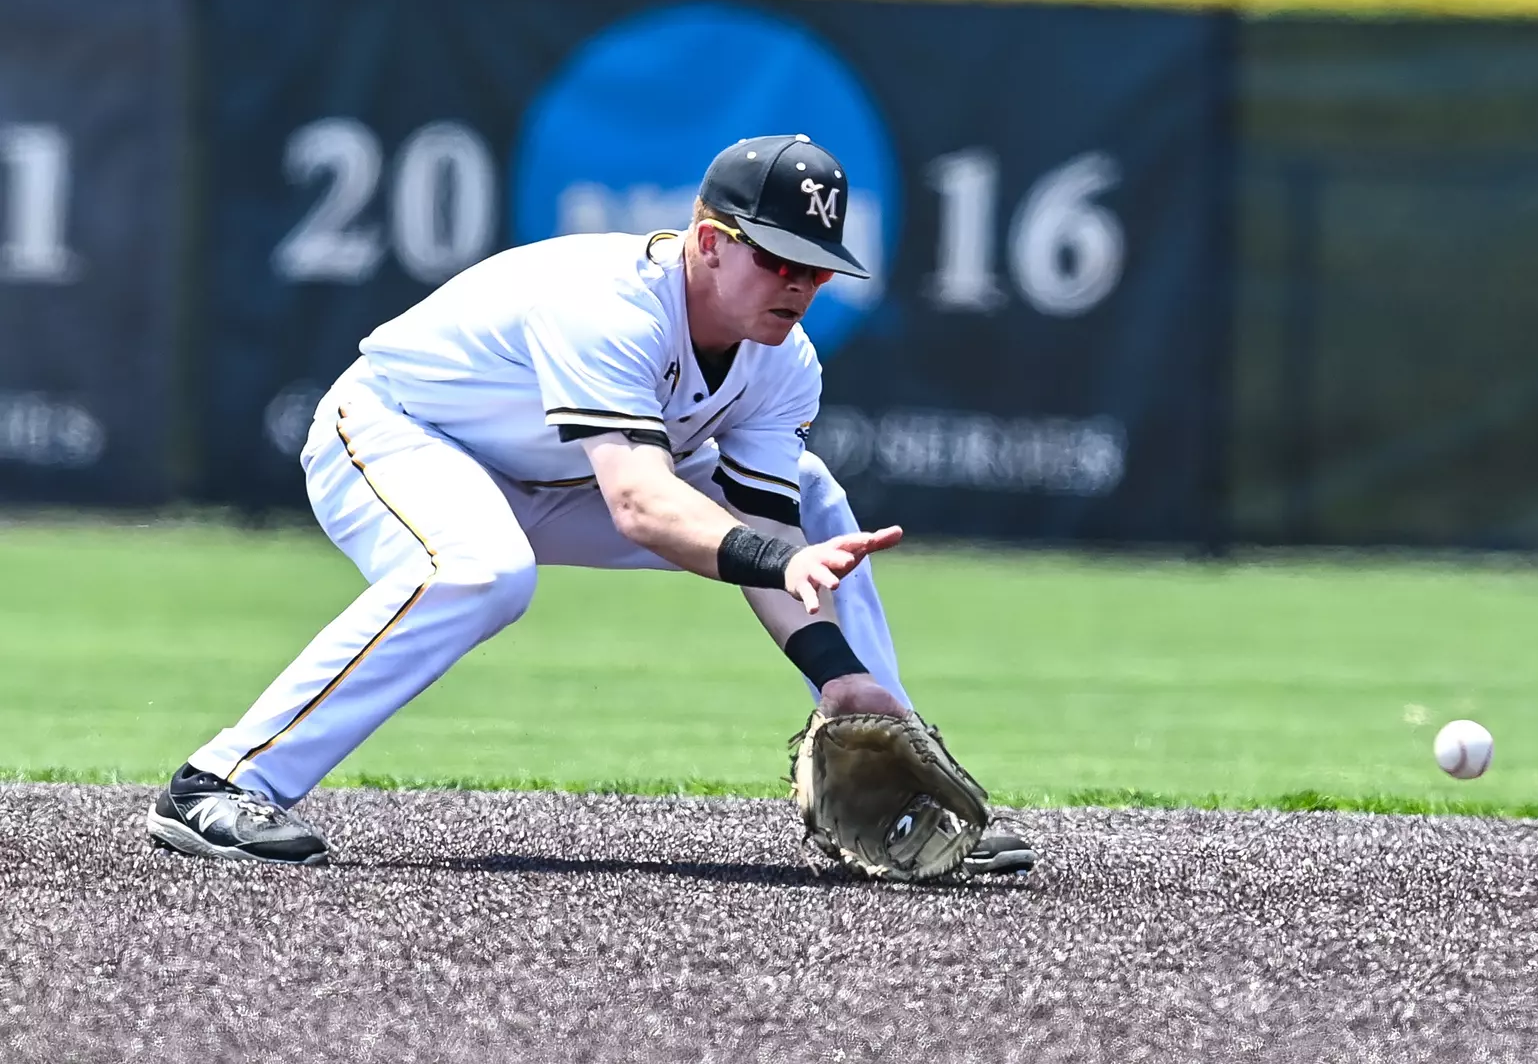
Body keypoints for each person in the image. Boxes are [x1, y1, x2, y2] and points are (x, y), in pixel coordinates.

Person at [145, 133, 1037, 877]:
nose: (798, 285)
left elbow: (765, 523)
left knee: (808, 492)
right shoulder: (609, 306)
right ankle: (221, 782)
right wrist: (779, 560)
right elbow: (645, 507)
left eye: (816, 267)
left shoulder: (784, 360)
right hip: (397, 436)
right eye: (776, 257)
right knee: (484, 571)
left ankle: (886, 735)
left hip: (561, 481)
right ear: (709, 238)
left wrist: (830, 662)